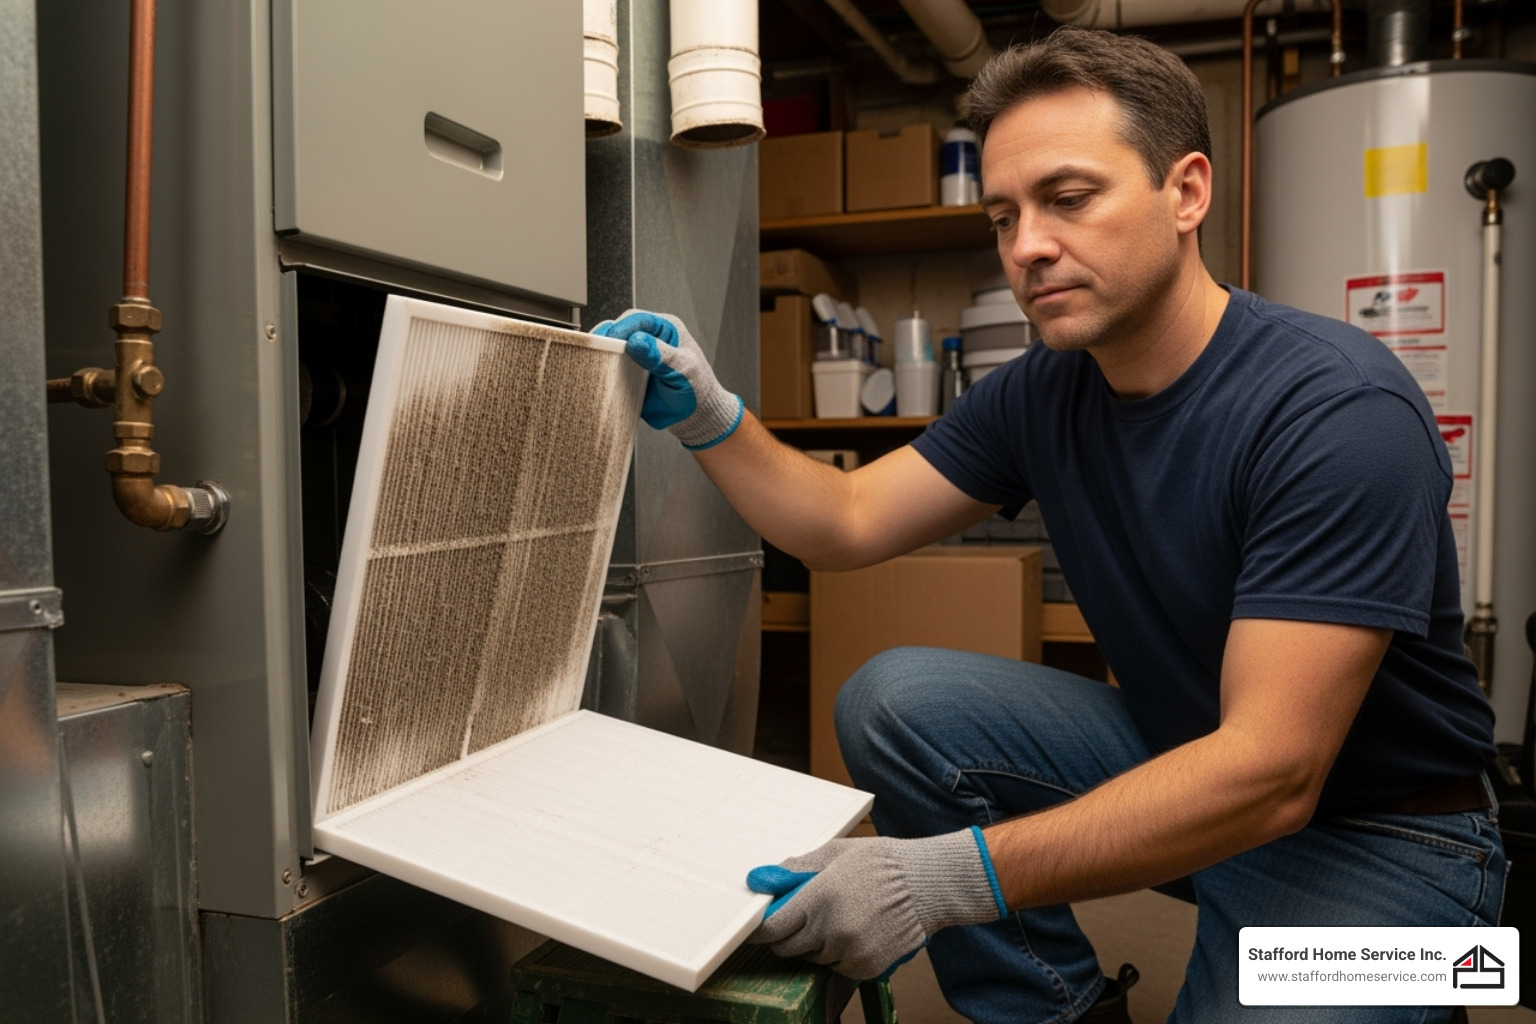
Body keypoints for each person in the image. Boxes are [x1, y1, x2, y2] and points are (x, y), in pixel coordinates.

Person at [595, 27, 1502, 1024]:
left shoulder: (1335, 411)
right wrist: (715, 417)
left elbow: (1273, 772)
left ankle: (1432, 973)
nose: (1027, 244)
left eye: (1069, 199)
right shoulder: (1046, 392)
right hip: (1189, 759)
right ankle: (1057, 1010)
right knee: (896, 701)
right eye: (1002, 214)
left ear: (1186, 192)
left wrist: (930, 880)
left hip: (1383, 836)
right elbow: (844, 521)